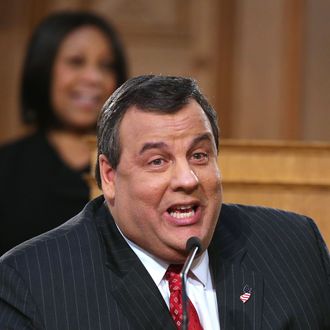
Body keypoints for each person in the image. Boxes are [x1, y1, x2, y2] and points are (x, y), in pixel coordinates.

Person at [0, 75, 329, 329]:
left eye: (199, 155)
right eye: (158, 161)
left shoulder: (295, 247)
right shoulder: (32, 284)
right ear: (110, 176)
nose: (188, 179)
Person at [0, 11, 128, 255]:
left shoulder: (132, 165)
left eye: (106, 66)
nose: (94, 78)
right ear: (43, 70)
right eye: (76, 61)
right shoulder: (6, 169)